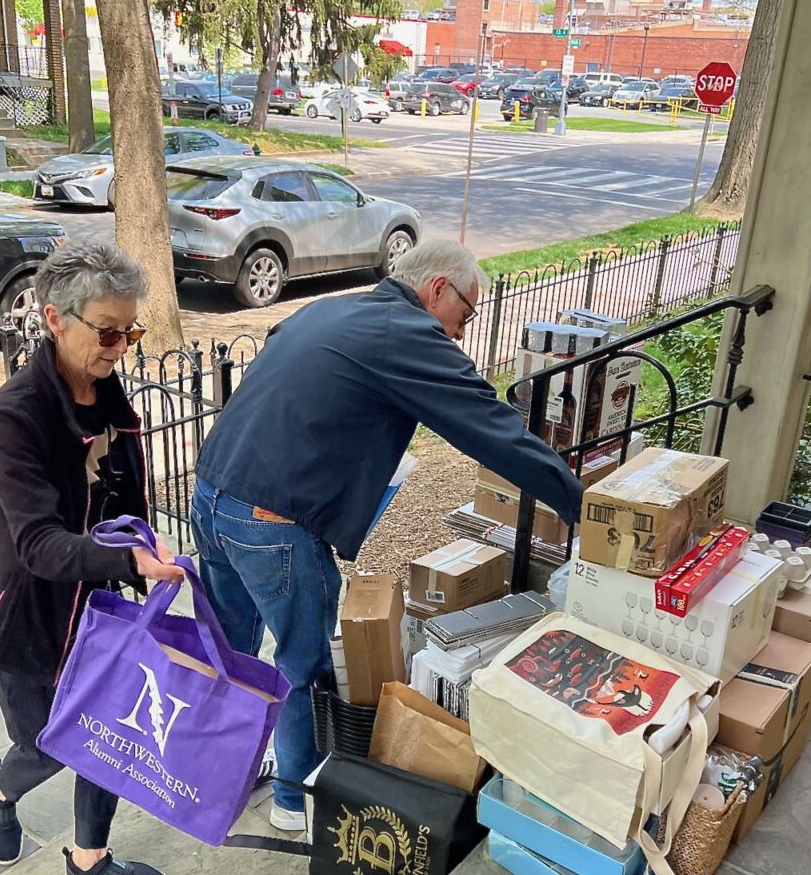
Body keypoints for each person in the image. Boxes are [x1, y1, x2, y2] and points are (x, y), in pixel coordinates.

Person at [191, 239, 584, 831]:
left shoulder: (335, 308)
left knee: (233, 652)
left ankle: (216, 771)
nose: (460, 333)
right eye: (466, 314)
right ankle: (294, 800)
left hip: (211, 493)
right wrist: (583, 505)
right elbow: (492, 428)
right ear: (437, 290)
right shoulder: (409, 334)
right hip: (270, 523)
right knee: (305, 668)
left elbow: (284, 363)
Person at [0, 241, 185, 875]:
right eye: (108, 331)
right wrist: (130, 563)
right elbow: (36, 543)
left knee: (107, 738)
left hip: (101, 607)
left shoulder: (112, 398)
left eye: (130, 330)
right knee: (48, 746)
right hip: (26, 615)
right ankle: (0, 788)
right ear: (56, 319)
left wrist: (145, 540)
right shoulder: (15, 415)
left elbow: (125, 495)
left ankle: (89, 859)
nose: (121, 346)